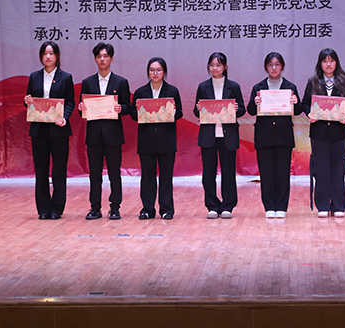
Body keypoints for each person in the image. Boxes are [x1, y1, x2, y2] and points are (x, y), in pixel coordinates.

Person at [246, 52, 303, 218]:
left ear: (282, 66)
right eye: (270, 65)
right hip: (264, 136)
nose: (274, 68)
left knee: (283, 173)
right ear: (266, 67)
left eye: (277, 64)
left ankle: (282, 207)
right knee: (266, 173)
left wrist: (295, 102)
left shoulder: (290, 87)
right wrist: (255, 102)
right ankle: (269, 206)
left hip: (284, 135)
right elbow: (250, 110)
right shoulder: (258, 87)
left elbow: (298, 111)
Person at [301, 48, 345, 218]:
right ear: (320, 64)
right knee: (321, 170)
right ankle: (323, 206)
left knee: (339, 170)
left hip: (339, 134)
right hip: (319, 134)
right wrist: (309, 113)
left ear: (336, 63)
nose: (328, 64)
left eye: (331, 60)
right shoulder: (313, 82)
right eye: (325, 61)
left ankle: (338, 206)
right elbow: (305, 103)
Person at [78, 42, 131, 220]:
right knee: (94, 174)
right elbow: (81, 110)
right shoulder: (87, 82)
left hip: (113, 135)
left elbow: (128, 106)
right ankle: (95, 208)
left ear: (111, 59)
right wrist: (81, 108)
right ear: (95, 59)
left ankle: (115, 207)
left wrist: (121, 108)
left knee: (115, 173)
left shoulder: (121, 82)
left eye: (105, 56)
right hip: (94, 135)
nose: (102, 59)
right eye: (99, 56)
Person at [24, 41, 75, 220]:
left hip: (59, 130)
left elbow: (70, 102)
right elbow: (29, 99)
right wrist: (27, 101)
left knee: (59, 170)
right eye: (45, 53)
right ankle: (43, 209)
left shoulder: (65, 77)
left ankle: (57, 209)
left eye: (51, 53)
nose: (48, 56)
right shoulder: (34, 77)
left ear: (57, 56)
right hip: (39, 130)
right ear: (41, 56)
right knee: (41, 170)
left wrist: (64, 117)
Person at [193, 52, 246, 219]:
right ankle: (212, 205)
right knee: (208, 173)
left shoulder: (233, 86)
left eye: (218, 65)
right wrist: (199, 109)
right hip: (208, 135)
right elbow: (196, 111)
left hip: (228, 135)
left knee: (228, 172)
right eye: (212, 65)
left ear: (225, 67)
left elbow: (242, 109)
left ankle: (228, 206)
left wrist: (236, 109)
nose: (214, 68)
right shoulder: (203, 87)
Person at [130, 57, 183, 220]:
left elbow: (180, 113)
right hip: (146, 140)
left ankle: (166, 209)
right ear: (148, 72)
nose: (155, 73)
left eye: (158, 70)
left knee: (166, 177)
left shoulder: (172, 91)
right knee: (147, 177)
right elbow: (133, 115)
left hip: (166, 140)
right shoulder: (140, 92)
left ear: (164, 72)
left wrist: (172, 111)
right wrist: (138, 111)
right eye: (152, 70)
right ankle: (147, 209)